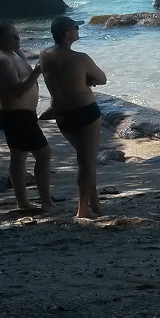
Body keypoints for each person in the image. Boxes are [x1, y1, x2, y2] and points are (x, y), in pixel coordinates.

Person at [39, 16, 108, 219]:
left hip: (61, 113)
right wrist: (87, 78)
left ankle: (94, 201)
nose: (78, 30)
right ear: (67, 34)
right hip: (85, 111)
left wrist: (81, 77)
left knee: (85, 158)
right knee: (86, 160)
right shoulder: (81, 58)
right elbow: (102, 79)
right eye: (76, 28)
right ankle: (82, 211)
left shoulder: (45, 55)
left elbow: (62, 75)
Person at [0, 21, 57, 215]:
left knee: (18, 156)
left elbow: (26, 78)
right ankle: (46, 202)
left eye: (18, 35)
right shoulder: (1, 59)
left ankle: (23, 202)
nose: (18, 39)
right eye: (13, 37)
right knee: (43, 154)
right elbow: (17, 91)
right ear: (0, 39)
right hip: (16, 114)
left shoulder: (15, 53)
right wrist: (37, 71)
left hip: (21, 114)